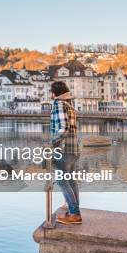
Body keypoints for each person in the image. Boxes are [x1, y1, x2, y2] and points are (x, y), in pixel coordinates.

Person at [49, 81, 81, 224]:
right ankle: (73, 210)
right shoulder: (70, 106)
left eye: (51, 92)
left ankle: (74, 213)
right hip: (73, 149)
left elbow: (63, 128)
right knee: (71, 181)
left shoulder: (59, 104)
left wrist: (52, 143)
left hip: (63, 149)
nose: (50, 95)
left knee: (62, 180)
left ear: (55, 93)